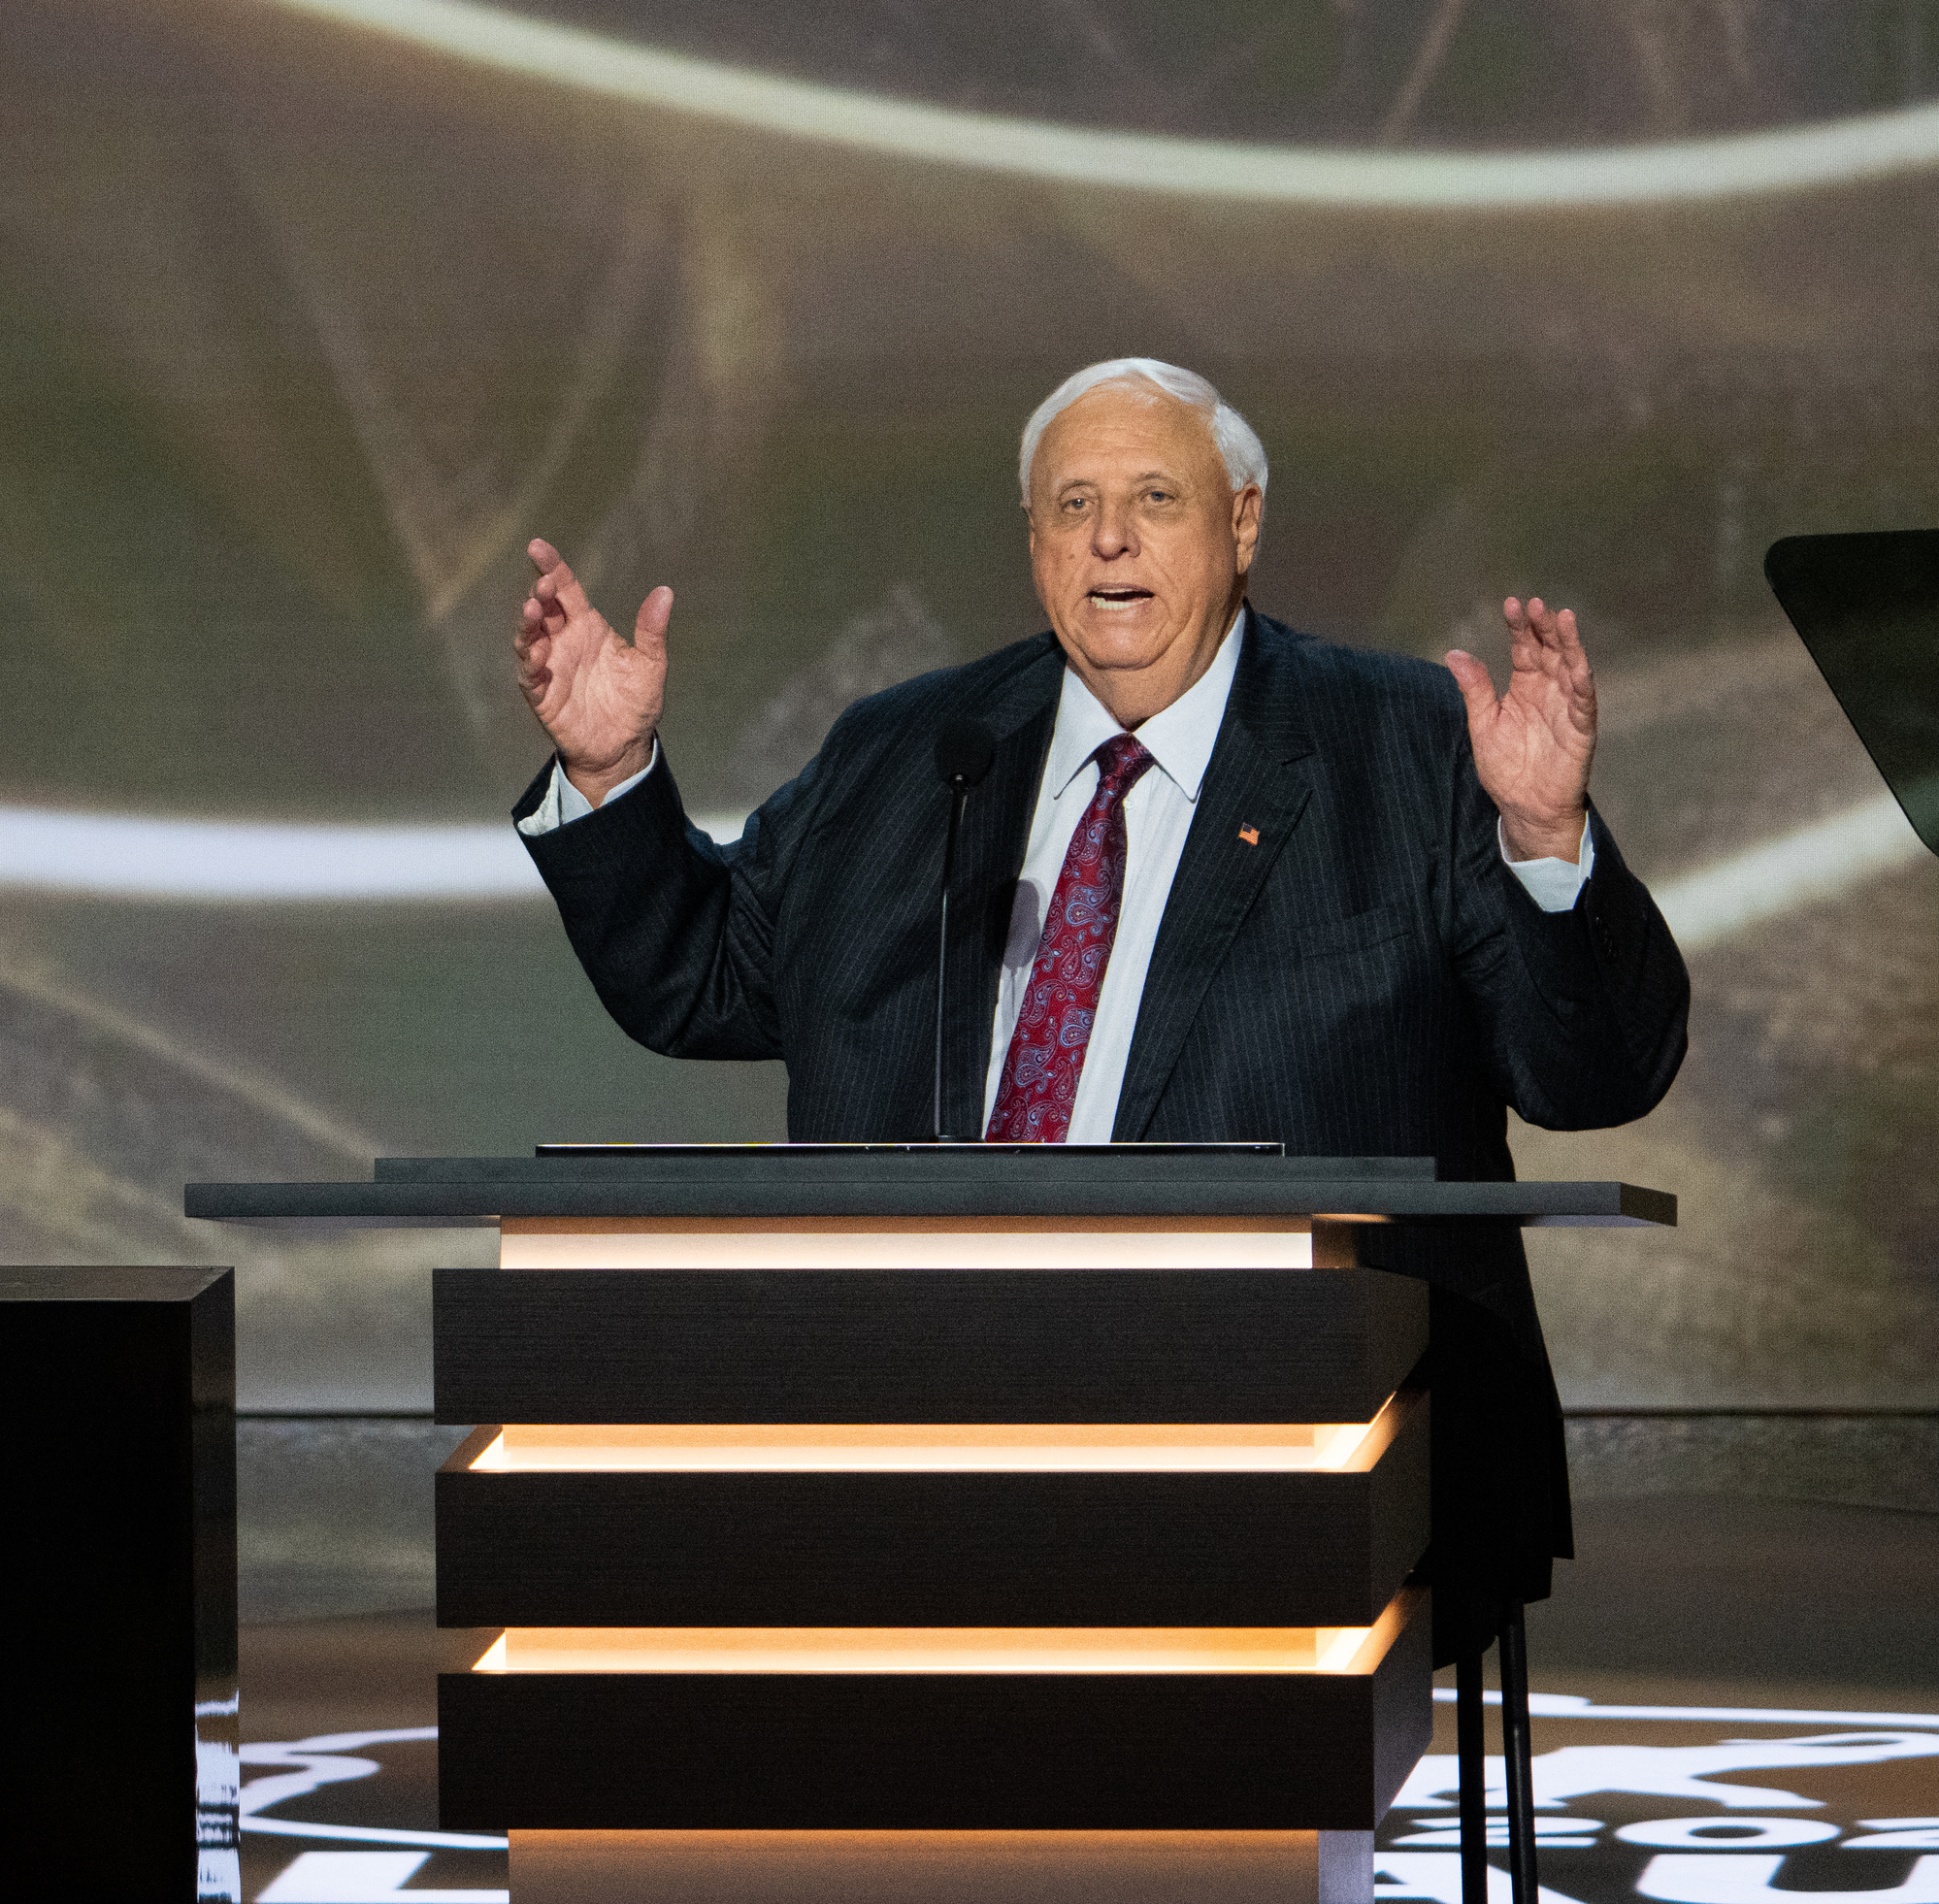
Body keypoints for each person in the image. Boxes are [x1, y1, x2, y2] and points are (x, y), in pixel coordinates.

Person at [506, 355, 1690, 1648]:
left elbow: (1595, 1076)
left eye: (1154, 500)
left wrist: (1545, 837)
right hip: (919, 1414)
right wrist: (611, 772)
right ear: (1032, 541)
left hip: (1295, 1426)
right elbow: (708, 976)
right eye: (1071, 505)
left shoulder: (1403, 744)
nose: (1109, 538)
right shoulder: (913, 752)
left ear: (1243, 522)